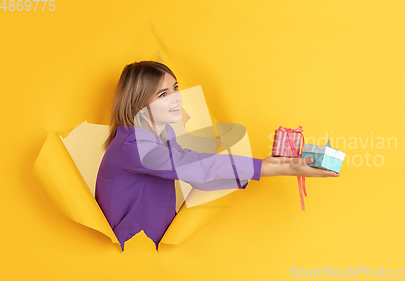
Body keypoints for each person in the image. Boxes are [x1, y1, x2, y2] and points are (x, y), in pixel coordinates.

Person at [95, 61, 339, 251]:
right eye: (163, 94)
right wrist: (265, 168)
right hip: (130, 253)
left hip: (148, 249)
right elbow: (192, 165)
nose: (176, 98)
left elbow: (197, 171)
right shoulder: (133, 145)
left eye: (176, 88)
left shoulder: (157, 139)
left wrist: (269, 167)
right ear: (138, 104)